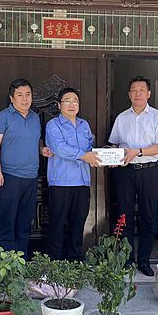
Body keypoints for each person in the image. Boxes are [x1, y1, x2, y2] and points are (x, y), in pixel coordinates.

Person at [108, 77, 158, 276]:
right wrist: (112, 154)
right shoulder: (122, 118)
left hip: (149, 170)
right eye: (134, 90)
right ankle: (126, 260)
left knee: (147, 216)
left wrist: (138, 151)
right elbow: (114, 143)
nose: (137, 93)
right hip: (125, 171)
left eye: (141, 90)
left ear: (148, 93)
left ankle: (144, 261)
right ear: (129, 94)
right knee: (124, 215)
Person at [0, 78, 52, 256]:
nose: (25, 99)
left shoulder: (35, 117)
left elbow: (37, 139)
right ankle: (6, 262)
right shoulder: (3, 117)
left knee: (25, 221)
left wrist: (42, 149)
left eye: (28, 94)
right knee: (7, 221)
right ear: (11, 98)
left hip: (31, 177)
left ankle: (21, 259)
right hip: (9, 177)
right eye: (20, 95)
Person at [45, 88, 100, 260]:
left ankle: (74, 261)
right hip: (61, 182)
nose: (71, 104)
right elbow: (59, 147)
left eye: (75, 101)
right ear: (59, 105)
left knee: (78, 224)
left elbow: (90, 147)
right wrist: (84, 155)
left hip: (82, 182)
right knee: (57, 224)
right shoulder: (53, 125)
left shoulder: (84, 125)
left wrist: (105, 156)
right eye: (67, 101)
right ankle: (55, 263)